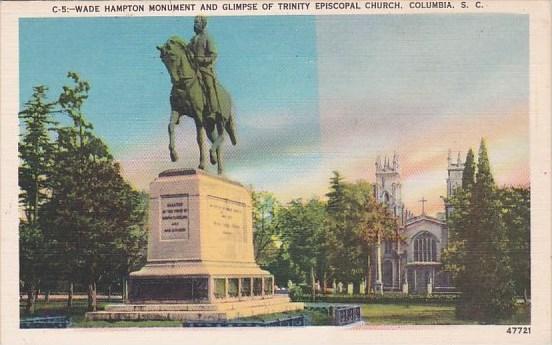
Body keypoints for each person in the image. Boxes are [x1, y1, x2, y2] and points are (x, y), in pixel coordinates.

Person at [189, 16, 220, 122]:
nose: (195, 25)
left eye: (197, 23)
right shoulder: (193, 39)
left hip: (205, 69)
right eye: (194, 23)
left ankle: (213, 112)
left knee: (209, 86)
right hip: (194, 68)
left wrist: (203, 60)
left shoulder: (207, 37)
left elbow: (214, 55)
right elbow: (187, 50)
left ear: (203, 24)